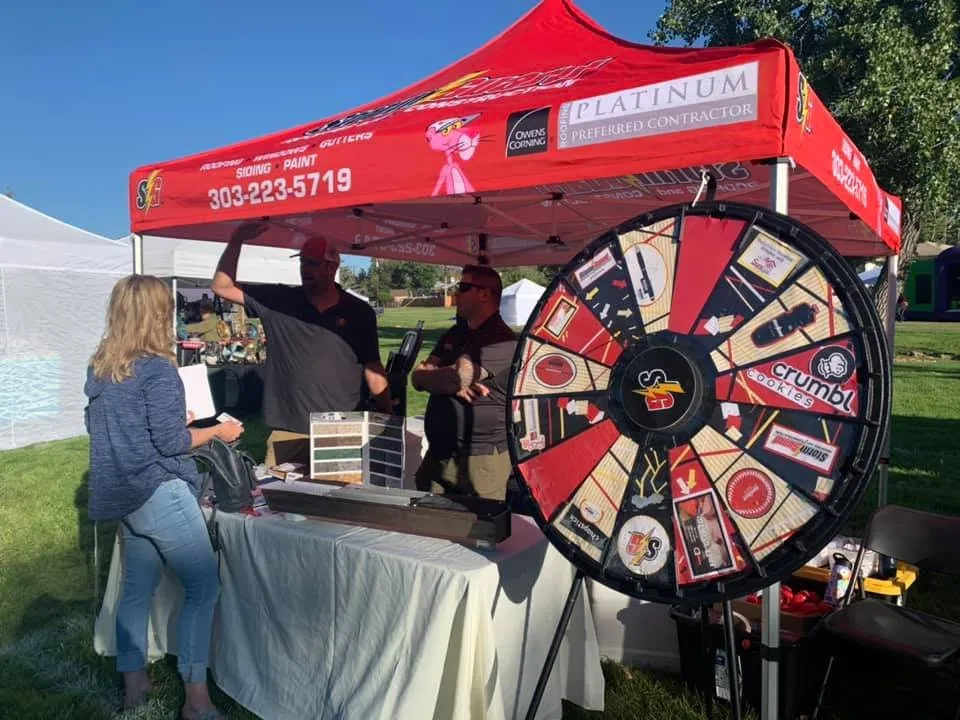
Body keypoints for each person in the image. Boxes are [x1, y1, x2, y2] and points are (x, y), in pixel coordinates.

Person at [84, 275, 244, 719]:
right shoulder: (157, 369)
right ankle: (196, 700)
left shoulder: (101, 370)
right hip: (160, 492)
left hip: (124, 497)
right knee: (204, 587)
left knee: (136, 592)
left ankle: (134, 687)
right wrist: (215, 431)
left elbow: (108, 427)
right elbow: (172, 443)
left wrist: (177, 420)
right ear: (157, 314)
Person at [211, 222, 391, 468]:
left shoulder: (359, 312)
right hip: (288, 430)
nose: (305, 269)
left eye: (313, 263)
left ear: (332, 267)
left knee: (340, 500)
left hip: (340, 429)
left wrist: (388, 423)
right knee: (279, 502)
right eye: (303, 262)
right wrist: (237, 239)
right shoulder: (279, 301)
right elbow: (222, 287)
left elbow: (373, 368)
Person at [412, 265, 517, 500]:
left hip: (480, 460)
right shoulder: (454, 333)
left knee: (476, 531)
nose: (456, 294)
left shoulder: (501, 339)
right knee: (427, 528)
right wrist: (436, 377)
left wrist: (441, 378)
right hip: (439, 454)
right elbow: (417, 376)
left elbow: (455, 379)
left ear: (485, 294)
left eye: (463, 287)